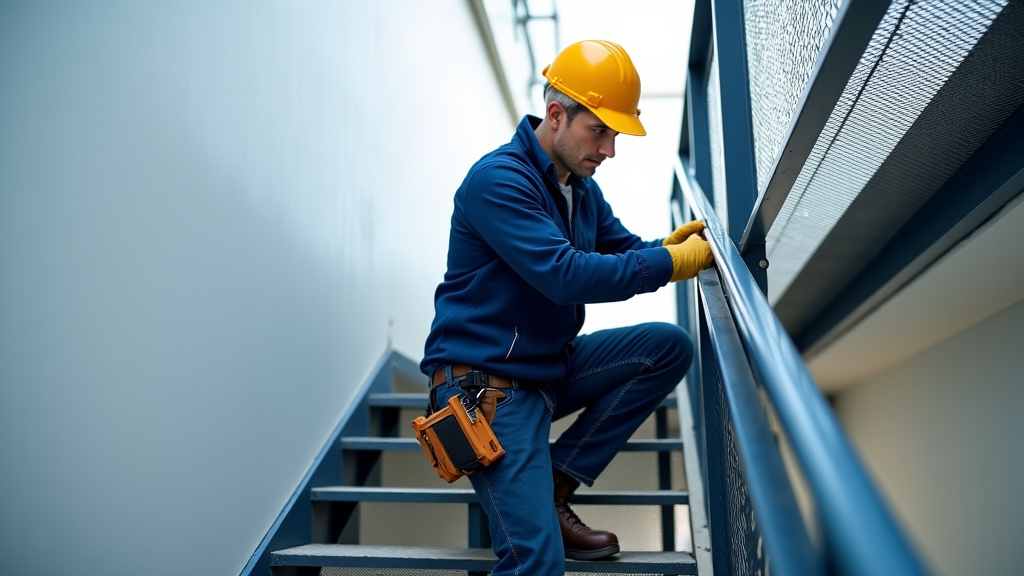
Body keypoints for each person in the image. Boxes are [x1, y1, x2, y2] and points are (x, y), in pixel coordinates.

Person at [420, 39, 714, 575]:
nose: (609, 149)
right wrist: (670, 264)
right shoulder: (499, 181)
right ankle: (541, 503)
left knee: (667, 347)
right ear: (556, 114)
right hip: (489, 387)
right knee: (535, 561)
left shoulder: (579, 187)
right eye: (599, 131)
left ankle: (555, 481)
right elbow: (564, 275)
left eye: (615, 135)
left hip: (548, 368)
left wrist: (667, 248)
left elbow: (624, 250)